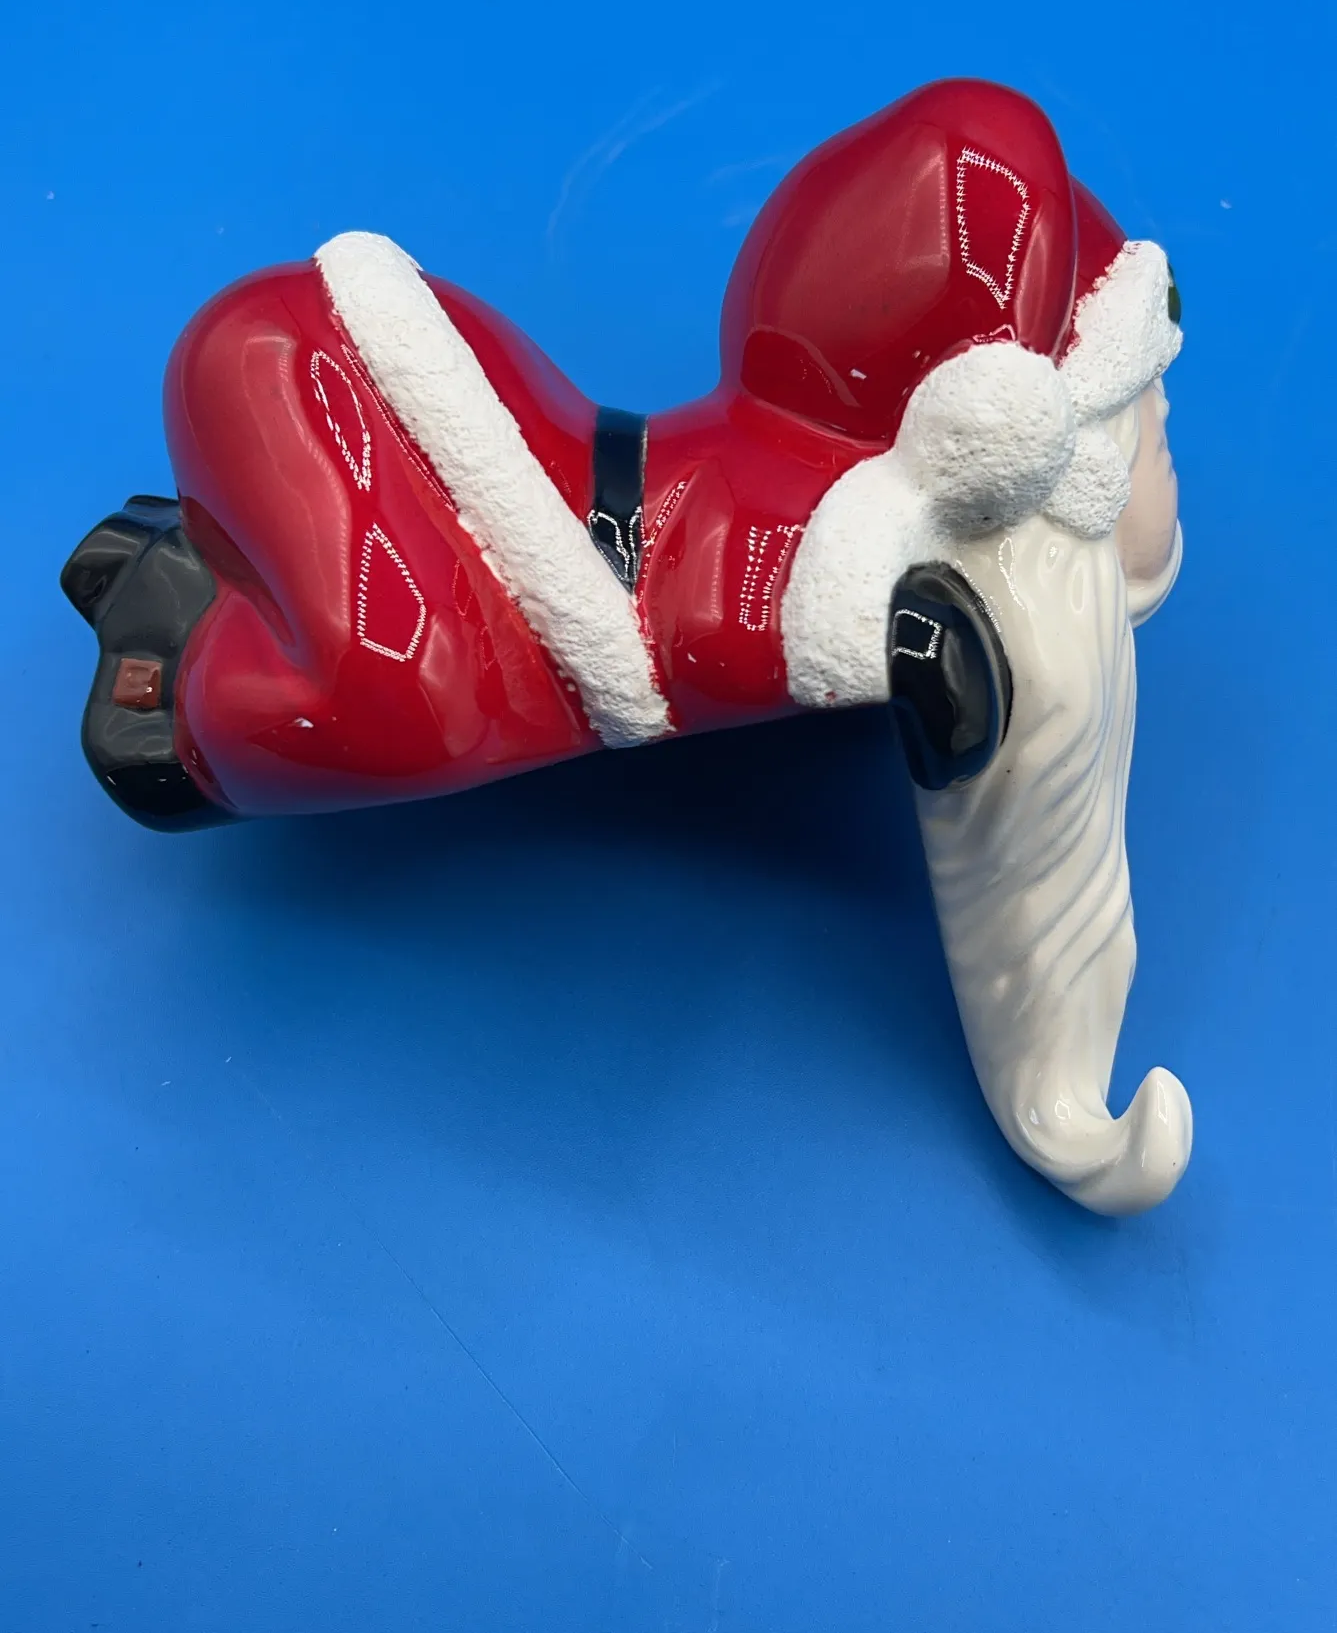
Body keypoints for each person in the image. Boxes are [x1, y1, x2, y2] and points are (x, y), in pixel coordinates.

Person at [63, 78, 1188, 1213]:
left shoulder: (849, 519)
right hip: (296, 371)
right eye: (1147, 418)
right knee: (406, 692)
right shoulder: (802, 526)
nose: (1163, 453)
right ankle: (174, 636)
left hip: (442, 411)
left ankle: (240, 566)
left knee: (430, 677)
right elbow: (706, 616)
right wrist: (915, 656)